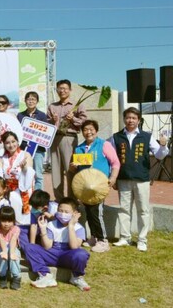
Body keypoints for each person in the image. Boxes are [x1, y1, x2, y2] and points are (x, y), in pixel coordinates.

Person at [110, 107, 169, 252]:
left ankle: (142, 240)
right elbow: (111, 158)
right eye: (128, 117)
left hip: (142, 179)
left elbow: (160, 155)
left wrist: (163, 145)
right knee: (124, 209)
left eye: (133, 118)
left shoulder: (146, 136)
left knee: (143, 210)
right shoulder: (116, 137)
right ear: (124, 119)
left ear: (139, 120)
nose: (130, 120)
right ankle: (125, 237)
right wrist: (113, 177)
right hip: (123, 178)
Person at [70, 120, 120, 253]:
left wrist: (113, 178)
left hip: (99, 186)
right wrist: (73, 167)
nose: (88, 132)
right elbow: (77, 168)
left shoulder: (104, 144)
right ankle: (93, 237)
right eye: (85, 130)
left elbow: (115, 162)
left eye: (91, 129)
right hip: (84, 187)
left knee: (97, 212)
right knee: (89, 212)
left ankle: (103, 240)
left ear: (96, 131)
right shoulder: (79, 148)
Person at [26, 197, 91, 291]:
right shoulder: (51, 224)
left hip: (67, 255)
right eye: (60, 211)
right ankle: (45, 276)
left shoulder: (79, 228)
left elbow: (74, 247)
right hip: (52, 253)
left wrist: (71, 226)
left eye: (66, 212)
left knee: (81, 254)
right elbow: (47, 246)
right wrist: (43, 230)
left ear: (74, 213)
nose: (63, 214)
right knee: (29, 247)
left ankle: (77, 277)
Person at [47, 79, 87, 200]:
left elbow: (84, 122)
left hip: (70, 139)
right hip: (55, 139)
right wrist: (52, 121)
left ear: (70, 90)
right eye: (60, 88)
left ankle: (72, 200)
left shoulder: (77, 105)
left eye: (65, 88)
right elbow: (46, 125)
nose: (62, 91)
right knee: (56, 171)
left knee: (71, 170)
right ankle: (59, 200)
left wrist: (73, 118)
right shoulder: (52, 106)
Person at [0, 131, 35, 226]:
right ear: (4, 145)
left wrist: (24, 168)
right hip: (7, 190)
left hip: (22, 188)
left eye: (13, 141)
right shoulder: (2, 159)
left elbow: (29, 175)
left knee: (14, 197)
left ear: (18, 142)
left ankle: (19, 226)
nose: (11, 145)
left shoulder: (25, 155)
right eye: (7, 143)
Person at [17, 91, 48, 190]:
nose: (31, 101)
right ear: (25, 101)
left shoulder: (42, 115)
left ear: (37, 101)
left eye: (33, 99)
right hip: (24, 150)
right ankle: (26, 195)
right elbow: (18, 133)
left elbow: (46, 133)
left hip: (38, 150)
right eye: (29, 99)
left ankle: (38, 198)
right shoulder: (20, 115)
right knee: (24, 172)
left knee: (38, 174)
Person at [0, 206, 21, 290]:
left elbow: (13, 240)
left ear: (13, 221)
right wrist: (5, 251)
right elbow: (1, 240)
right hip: (0, 248)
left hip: (13, 248)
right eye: (4, 221)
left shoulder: (16, 229)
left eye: (9, 221)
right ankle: (2, 276)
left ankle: (16, 277)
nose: (6, 224)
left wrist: (11, 253)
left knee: (15, 254)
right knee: (2, 255)